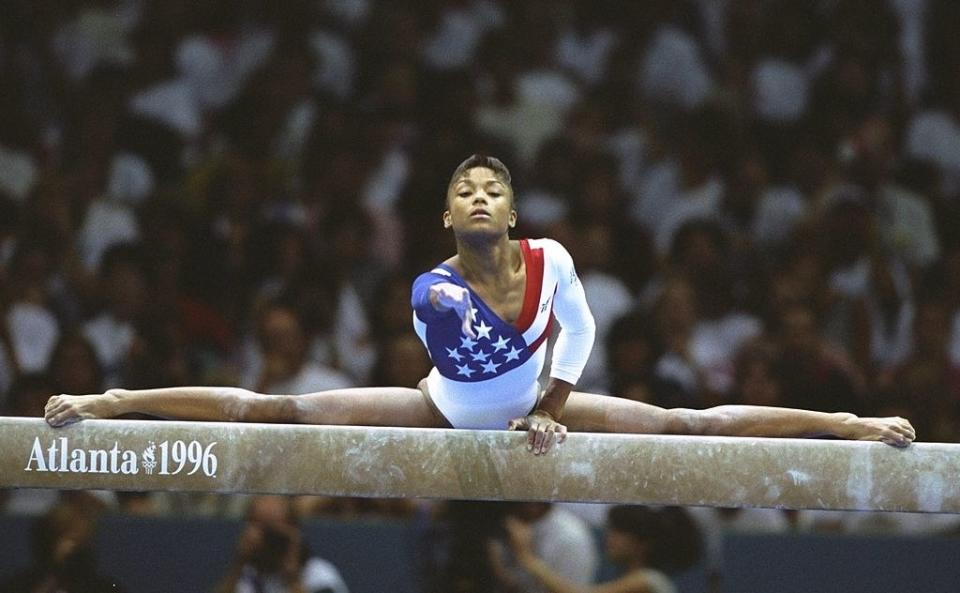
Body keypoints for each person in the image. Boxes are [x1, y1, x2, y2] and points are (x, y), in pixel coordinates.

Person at [44, 155, 916, 455]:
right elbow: (472, 371)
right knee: (281, 409)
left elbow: (580, 331)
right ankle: (112, 400)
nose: (479, 199)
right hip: (442, 408)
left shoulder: (554, 259)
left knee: (690, 428)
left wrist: (549, 408)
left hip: (542, 408)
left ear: (512, 207)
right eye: (464, 190)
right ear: (447, 213)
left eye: (493, 188)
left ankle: (845, 422)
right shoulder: (434, 290)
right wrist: (523, 416)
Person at [503, 505, 699, 593]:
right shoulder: (633, 578)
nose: (609, 538)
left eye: (617, 532)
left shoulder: (648, 580)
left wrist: (527, 557)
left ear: (640, 544)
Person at [215, 495, 349, 593]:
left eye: (272, 530)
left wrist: (293, 579)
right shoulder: (247, 577)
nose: (266, 539)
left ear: (293, 531)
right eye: (258, 527)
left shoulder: (320, 576)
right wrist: (239, 563)